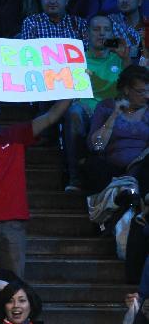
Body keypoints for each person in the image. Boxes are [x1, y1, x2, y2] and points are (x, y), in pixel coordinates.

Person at [65, 15, 130, 192]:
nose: (101, 33)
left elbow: (131, 90)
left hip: (112, 113)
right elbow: (69, 89)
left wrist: (125, 60)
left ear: (111, 33)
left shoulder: (120, 58)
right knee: (73, 112)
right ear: (87, 35)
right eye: (96, 29)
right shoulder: (78, 60)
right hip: (86, 111)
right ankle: (75, 177)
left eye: (106, 30)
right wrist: (76, 101)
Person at [85, 65, 149, 198]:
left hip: (141, 166)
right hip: (111, 167)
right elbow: (96, 146)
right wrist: (114, 116)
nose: (146, 96)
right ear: (126, 89)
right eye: (140, 92)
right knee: (93, 165)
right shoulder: (106, 107)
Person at [20, 0, 88, 42]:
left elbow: (87, 51)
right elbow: (28, 52)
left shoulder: (80, 24)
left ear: (66, 0)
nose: (52, 1)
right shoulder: (31, 23)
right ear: (41, 0)